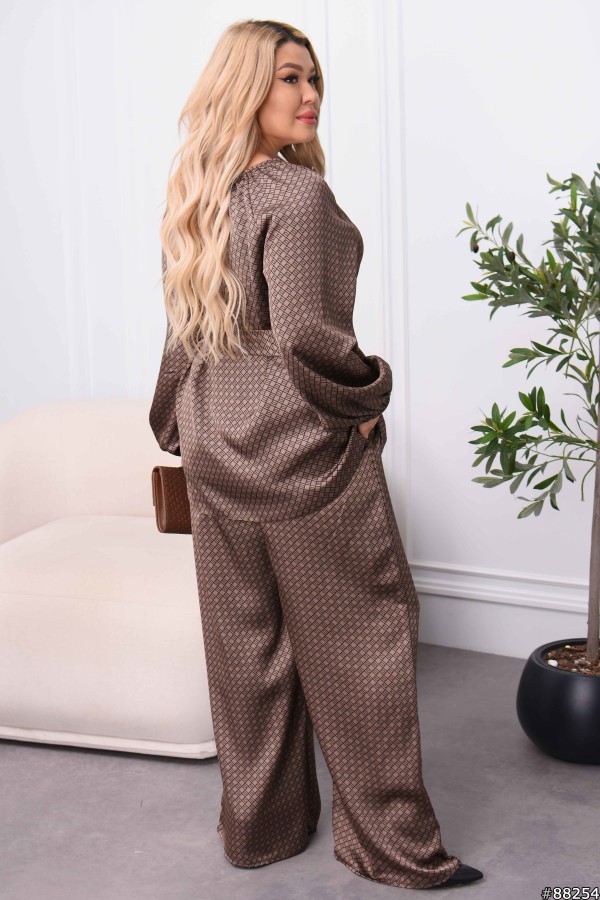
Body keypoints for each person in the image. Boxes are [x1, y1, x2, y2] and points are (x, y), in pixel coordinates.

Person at [149, 17, 483, 891]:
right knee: (362, 648)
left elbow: (183, 339)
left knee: (246, 656)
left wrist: (178, 429)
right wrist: (369, 397)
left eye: (314, 78)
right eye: (289, 77)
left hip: (218, 454)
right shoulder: (297, 198)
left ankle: (259, 831)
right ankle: (394, 849)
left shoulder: (201, 195)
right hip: (302, 456)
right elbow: (306, 337)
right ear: (245, 88)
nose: (309, 96)